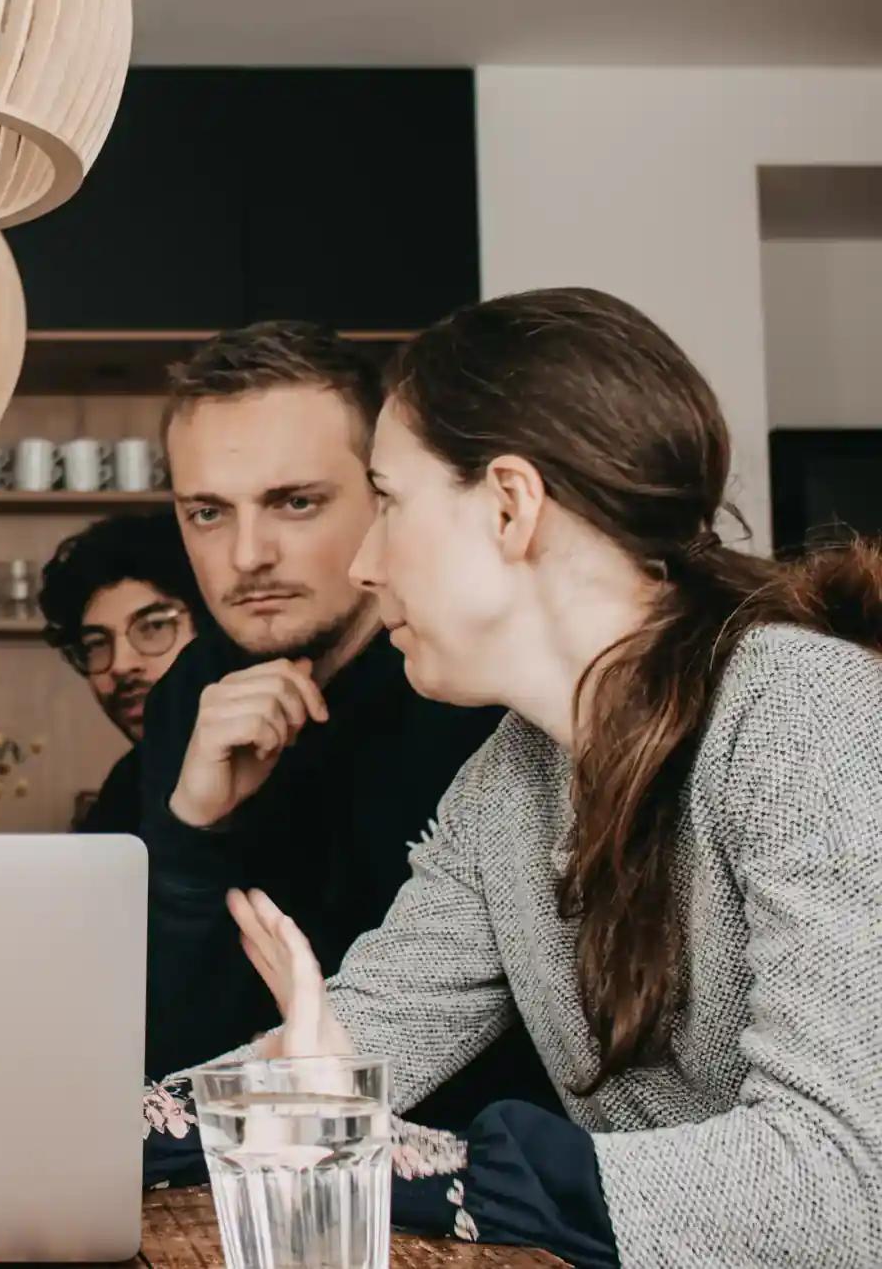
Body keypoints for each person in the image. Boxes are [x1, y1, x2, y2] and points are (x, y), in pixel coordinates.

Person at [174, 288, 882, 1267]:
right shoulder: (508, 774)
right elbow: (351, 1039)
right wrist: (116, 1130)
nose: (367, 565)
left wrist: (450, 1175)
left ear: (509, 505)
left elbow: (847, 1180)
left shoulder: (813, 713)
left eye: (385, 501)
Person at [138, 322, 551, 1128]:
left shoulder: (480, 688)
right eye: (208, 513)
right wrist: (191, 832)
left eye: (295, 503)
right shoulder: (189, 694)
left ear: (382, 496)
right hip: (256, 1153)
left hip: (473, 1194)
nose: (248, 554)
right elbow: (164, 1047)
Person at [37, 510, 206, 834]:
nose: (120, 665)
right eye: (96, 643)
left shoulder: (292, 770)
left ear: (212, 628)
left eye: (153, 627)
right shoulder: (129, 781)